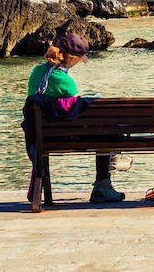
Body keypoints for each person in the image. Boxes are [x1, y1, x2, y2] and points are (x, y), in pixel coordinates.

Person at [23, 32, 126, 204]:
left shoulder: (36, 72)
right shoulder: (65, 80)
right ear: (72, 59)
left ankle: (113, 161)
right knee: (107, 134)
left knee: (105, 132)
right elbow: (78, 112)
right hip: (67, 136)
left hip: (41, 137)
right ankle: (103, 185)